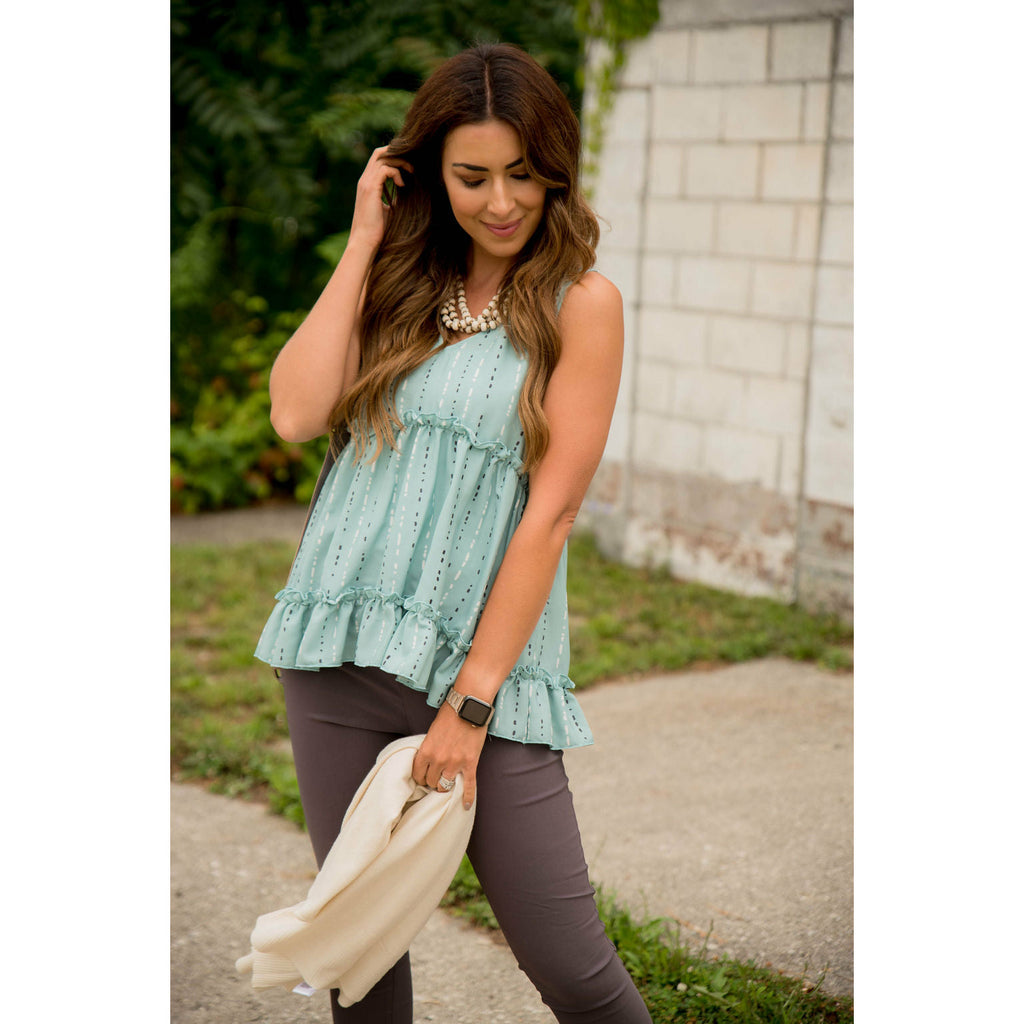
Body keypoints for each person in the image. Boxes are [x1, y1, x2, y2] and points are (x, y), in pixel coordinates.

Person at [255, 42, 652, 1023]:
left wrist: (469, 708)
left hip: (486, 679)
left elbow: (551, 511)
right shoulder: (399, 280)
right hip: (336, 653)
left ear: (555, 169)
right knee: (360, 957)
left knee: (572, 966)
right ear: (429, 170)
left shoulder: (581, 306)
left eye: (524, 173)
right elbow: (296, 414)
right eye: (473, 176)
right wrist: (361, 238)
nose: (502, 200)